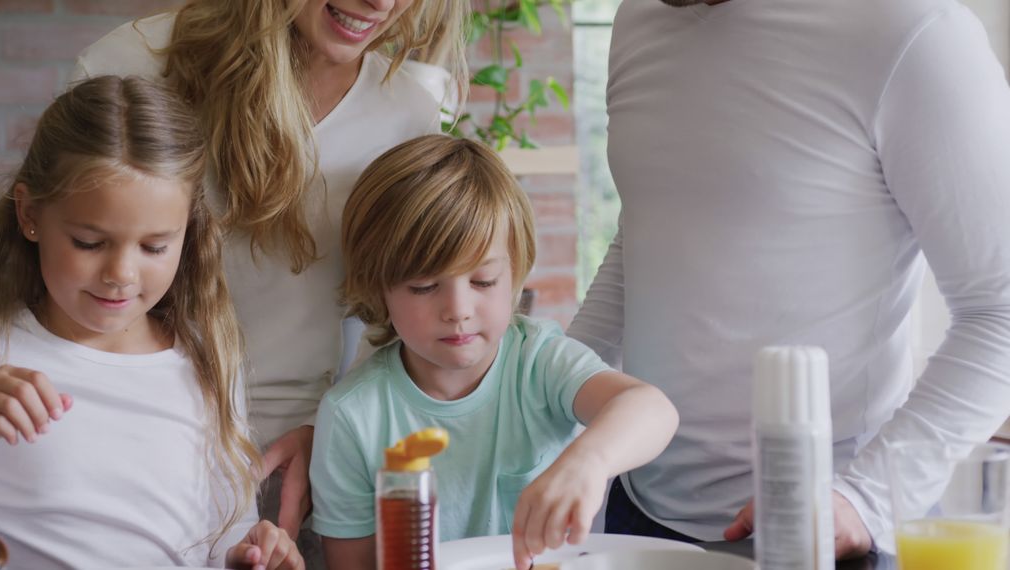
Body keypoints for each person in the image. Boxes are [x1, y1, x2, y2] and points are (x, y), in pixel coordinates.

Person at [566, 0, 1010, 558]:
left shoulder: (915, 30)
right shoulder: (638, 18)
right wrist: (541, 398)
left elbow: (999, 311)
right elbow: (651, 232)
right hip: (634, 515)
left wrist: (863, 501)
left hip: (829, 528)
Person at [65, 0, 469, 548]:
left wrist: (331, 429)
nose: (382, 4)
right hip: (117, 433)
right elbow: (51, 251)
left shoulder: (406, 114)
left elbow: (393, 312)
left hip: (287, 460)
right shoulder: (135, 61)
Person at [0, 76, 303, 570]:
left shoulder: (206, 363)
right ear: (29, 214)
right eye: (89, 242)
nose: (121, 276)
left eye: (154, 247)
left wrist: (248, 555)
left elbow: (220, 534)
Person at [310, 134, 680, 570]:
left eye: (483, 281)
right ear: (380, 287)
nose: (458, 311)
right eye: (424, 287)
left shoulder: (539, 362)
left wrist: (588, 462)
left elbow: (651, 409)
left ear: (516, 273)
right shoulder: (352, 416)